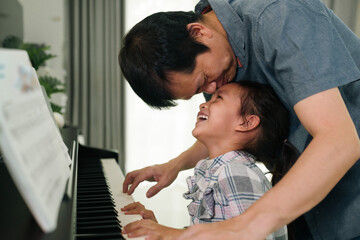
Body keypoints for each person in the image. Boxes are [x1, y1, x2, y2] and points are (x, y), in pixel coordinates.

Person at [119, 0, 360, 239]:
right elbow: (228, 132)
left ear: (199, 32)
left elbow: (339, 140)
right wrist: (174, 165)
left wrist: (243, 226)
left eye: (204, 79)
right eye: (200, 90)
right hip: (302, 205)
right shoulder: (219, 59)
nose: (211, 90)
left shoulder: (279, 15)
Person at [121, 82, 289, 240]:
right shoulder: (216, 170)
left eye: (219, 98)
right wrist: (158, 229)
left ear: (246, 122)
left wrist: (174, 235)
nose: (203, 104)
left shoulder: (237, 172)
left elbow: (247, 235)